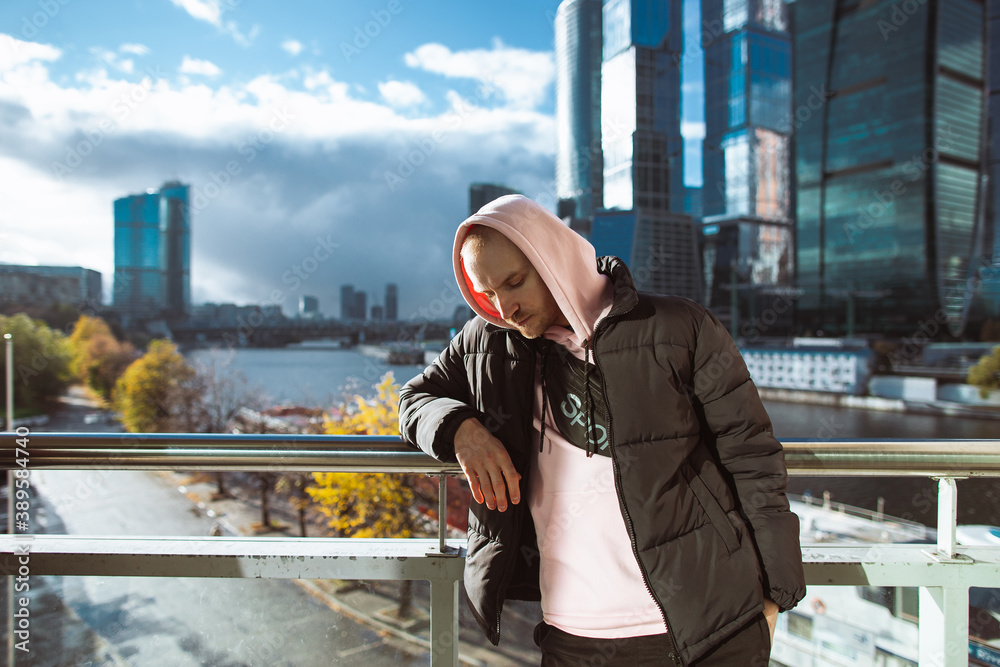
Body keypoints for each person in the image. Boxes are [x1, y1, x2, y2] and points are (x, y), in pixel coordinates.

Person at [398, 195, 805, 665]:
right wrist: (460, 430)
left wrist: (777, 592)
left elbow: (751, 454)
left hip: (708, 623)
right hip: (572, 634)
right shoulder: (485, 342)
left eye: (514, 282)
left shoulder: (679, 328)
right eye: (487, 294)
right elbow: (413, 399)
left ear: (551, 256)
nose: (504, 307)